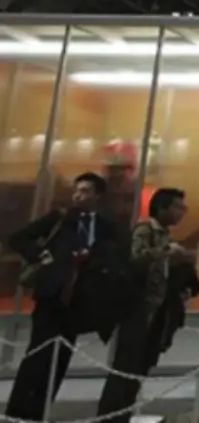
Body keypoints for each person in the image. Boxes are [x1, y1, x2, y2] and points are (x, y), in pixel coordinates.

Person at [6, 172, 118, 421]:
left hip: (79, 300)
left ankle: (41, 411)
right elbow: (18, 238)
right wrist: (41, 255)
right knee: (38, 355)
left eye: (85, 191)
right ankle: (18, 413)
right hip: (52, 295)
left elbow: (114, 254)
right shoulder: (61, 218)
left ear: (98, 195)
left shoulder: (105, 226)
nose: (78, 195)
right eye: (77, 190)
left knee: (61, 359)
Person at [97, 188, 189, 423]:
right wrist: (166, 251)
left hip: (156, 310)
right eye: (178, 207)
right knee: (125, 366)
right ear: (162, 208)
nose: (182, 212)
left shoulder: (165, 233)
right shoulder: (145, 229)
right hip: (138, 308)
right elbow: (136, 259)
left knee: (140, 365)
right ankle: (110, 417)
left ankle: (124, 414)